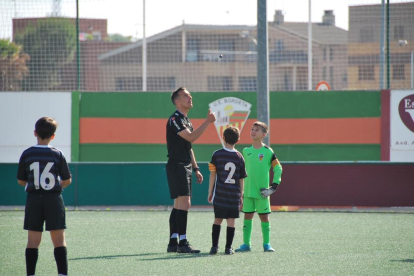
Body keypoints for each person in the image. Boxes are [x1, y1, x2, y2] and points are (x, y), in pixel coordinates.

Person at [17, 117, 72, 276]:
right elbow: (67, 180)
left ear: (35, 133)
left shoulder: (27, 153)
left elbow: (21, 181)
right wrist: (56, 186)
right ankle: (62, 274)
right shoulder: (57, 153)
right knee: (59, 241)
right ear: (53, 136)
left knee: (33, 241)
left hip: (33, 199)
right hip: (53, 199)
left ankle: (31, 274)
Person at [166, 87, 216, 253]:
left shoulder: (186, 120)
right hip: (177, 165)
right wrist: (208, 121)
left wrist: (195, 168)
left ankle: (173, 242)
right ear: (178, 101)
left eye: (190, 95)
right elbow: (191, 137)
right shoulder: (175, 118)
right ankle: (183, 243)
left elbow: (189, 146)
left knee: (179, 204)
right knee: (185, 203)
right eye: (186, 95)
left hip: (185, 165)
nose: (190, 97)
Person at [235, 121, 283, 253]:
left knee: (264, 217)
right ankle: (246, 244)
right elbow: (240, 171)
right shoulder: (245, 151)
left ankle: (267, 244)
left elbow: (278, 168)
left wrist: (273, 186)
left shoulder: (268, 151)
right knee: (247, 217)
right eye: (252, 129)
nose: (253, 131)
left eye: (256, 130)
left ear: (264, 134)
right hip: (248, 192)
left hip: (262, 193)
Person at [207, 126, 247, 255]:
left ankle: (214, 247)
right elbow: (241, 178)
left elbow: (213, 174)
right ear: (238, 140)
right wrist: (241, 194)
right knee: (231, 221)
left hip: (220, 194)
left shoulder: (217, 154)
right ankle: (228, 248)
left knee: (217, 219)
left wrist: (210, 192)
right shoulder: (239, 157)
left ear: (223, 138)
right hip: (233, 195)